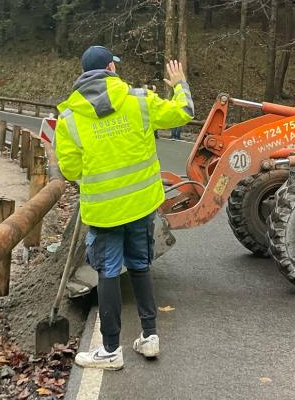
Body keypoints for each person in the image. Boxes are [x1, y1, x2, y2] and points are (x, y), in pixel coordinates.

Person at [55, 45, 193, 370]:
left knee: (109, 273)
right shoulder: (140, 101)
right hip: (142, 206)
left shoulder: (69, 118)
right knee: (140, 266)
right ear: (111, 69)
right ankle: (149, 336)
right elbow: (183, 111)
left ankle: (110, 350)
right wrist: (179, 82)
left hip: (104, 213)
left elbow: (71, 171)